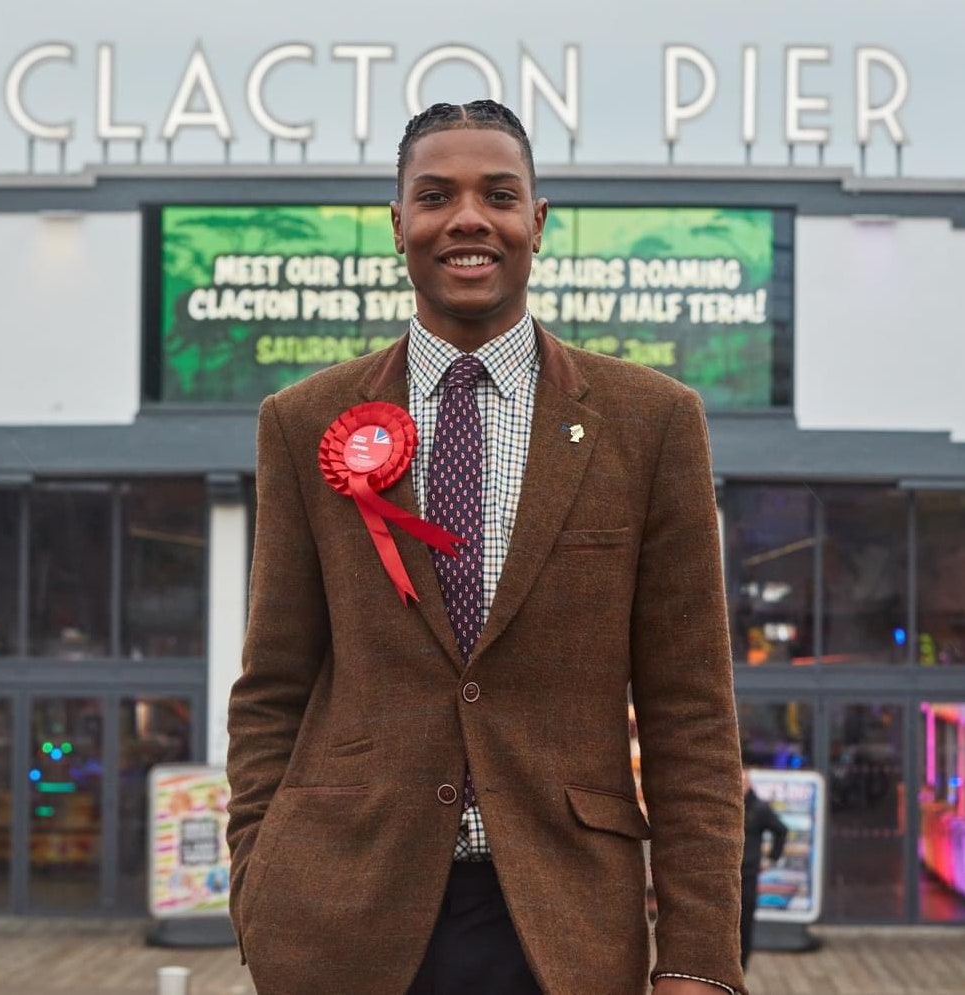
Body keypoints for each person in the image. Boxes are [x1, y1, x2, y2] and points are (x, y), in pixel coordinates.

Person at [226, 100, 747, 995]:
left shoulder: (652, 423)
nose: (467, 218)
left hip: (565, 930)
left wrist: (699, 959)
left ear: (536, 223)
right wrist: (255, 883)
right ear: (399, 226)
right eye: (435, 195)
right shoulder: (303, 422)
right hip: (339, 924)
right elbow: (272, 685)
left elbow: (690, 715)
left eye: (497, 194)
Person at [740, 770, 789, 970]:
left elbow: (781, 830)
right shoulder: (726, 807)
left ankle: (742, 966)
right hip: (726, 876)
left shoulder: (758, 808)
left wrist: (771, 858)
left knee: (745, 923)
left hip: (748, 874)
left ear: (749, 784)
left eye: (743, 782)